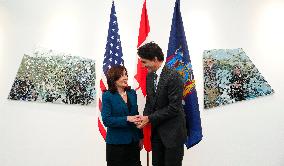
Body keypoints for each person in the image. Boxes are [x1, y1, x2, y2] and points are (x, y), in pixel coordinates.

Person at [136, 42, 187, 166]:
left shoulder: (174, 76)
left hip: (173, 134)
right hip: (157, 133)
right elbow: (150, 102)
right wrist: (143, 118)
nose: (142, 66)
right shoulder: (149, 76)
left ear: (154, 59)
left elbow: (174, 108)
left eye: (144, 62)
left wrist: (149, 118)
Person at [101, 65, 143, 166]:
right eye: (122, 75)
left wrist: (140, 137)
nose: (126, 78)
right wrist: (127, 119)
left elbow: (136, 115)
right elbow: (107, 120)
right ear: (114, 79)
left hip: (133, 141)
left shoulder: (132, 93)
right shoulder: (107, 96)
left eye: (126, 74)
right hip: (116, 144)